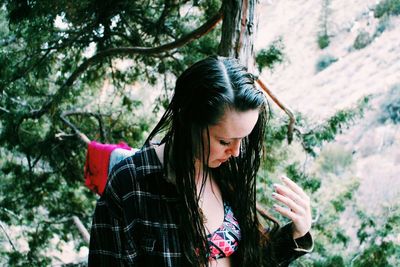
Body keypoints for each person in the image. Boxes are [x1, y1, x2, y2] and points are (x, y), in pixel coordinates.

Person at [88, 56, 313, 267]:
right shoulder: (131, 184)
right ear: (189, 122)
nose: (236, 152)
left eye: (242, 139)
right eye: (224, 141)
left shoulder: (225, 172)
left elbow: (251, 259)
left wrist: (295, 233)